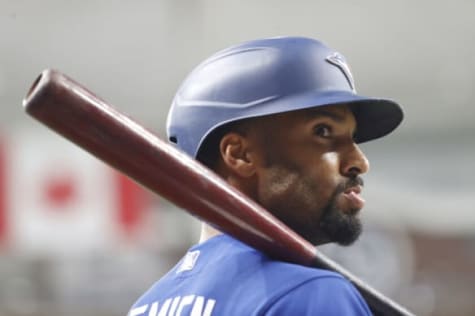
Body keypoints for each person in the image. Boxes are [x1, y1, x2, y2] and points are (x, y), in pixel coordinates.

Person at [128, 36, 403, 316]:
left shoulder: (147, 306)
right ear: (240, 155)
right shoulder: (310, 293)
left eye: (353, 138)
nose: (359, 162)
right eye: (323, 131)